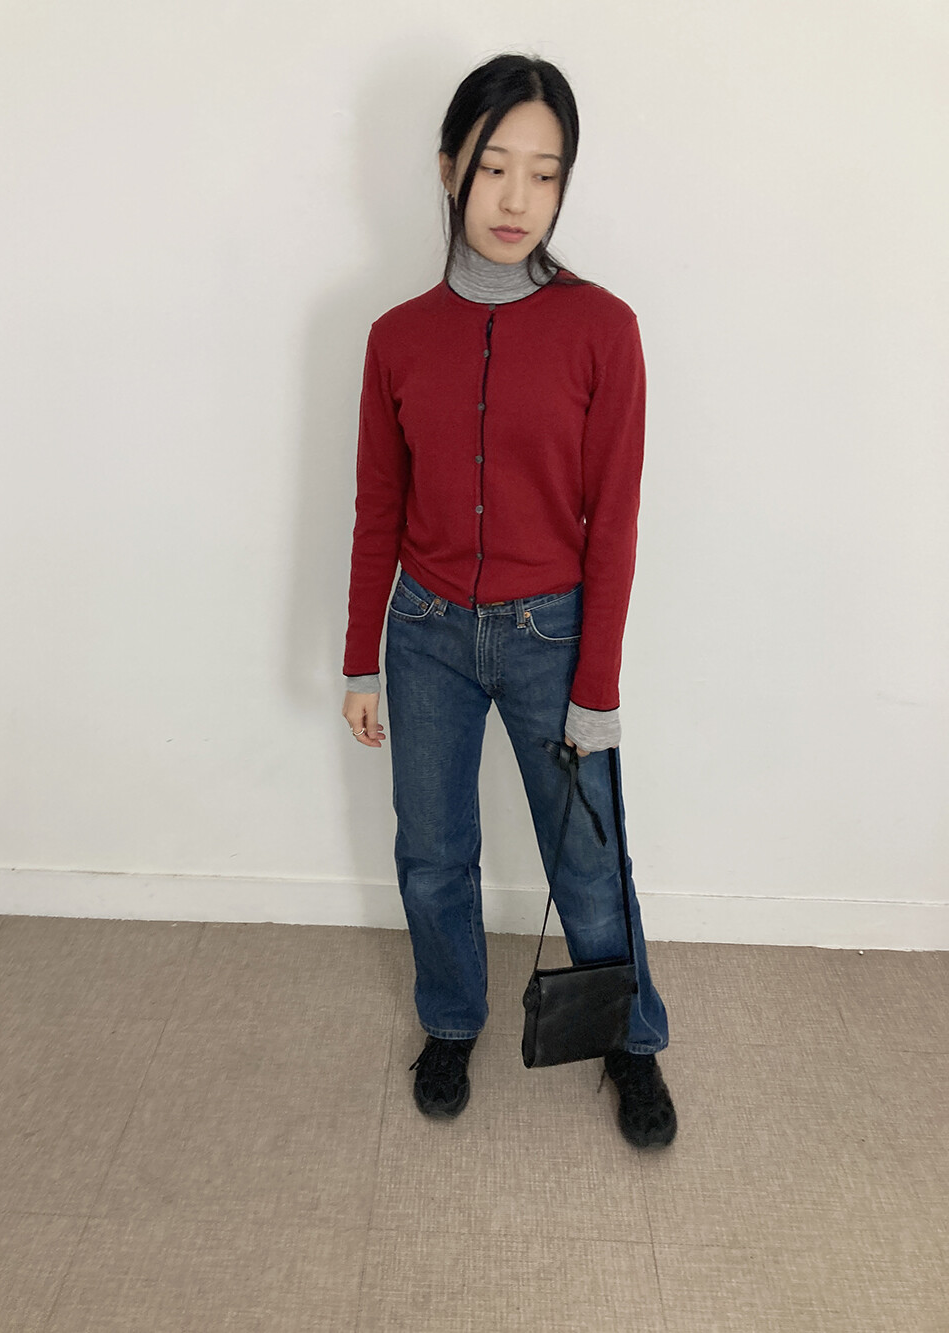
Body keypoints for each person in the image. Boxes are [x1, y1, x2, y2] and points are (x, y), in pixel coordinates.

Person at [341, 53, 676, 1149]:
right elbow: (378, 509)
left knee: (590, 859)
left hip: (552, 635)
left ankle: (631, 1040)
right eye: (494, 167)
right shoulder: (396, 337)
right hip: (425, 633)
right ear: (449, 169)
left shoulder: (604, 329)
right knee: (432, 854)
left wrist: (597, 688)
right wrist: (360, 657)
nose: (517, 198)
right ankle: (451, 1021)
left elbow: (613, 522)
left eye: (545, 172)